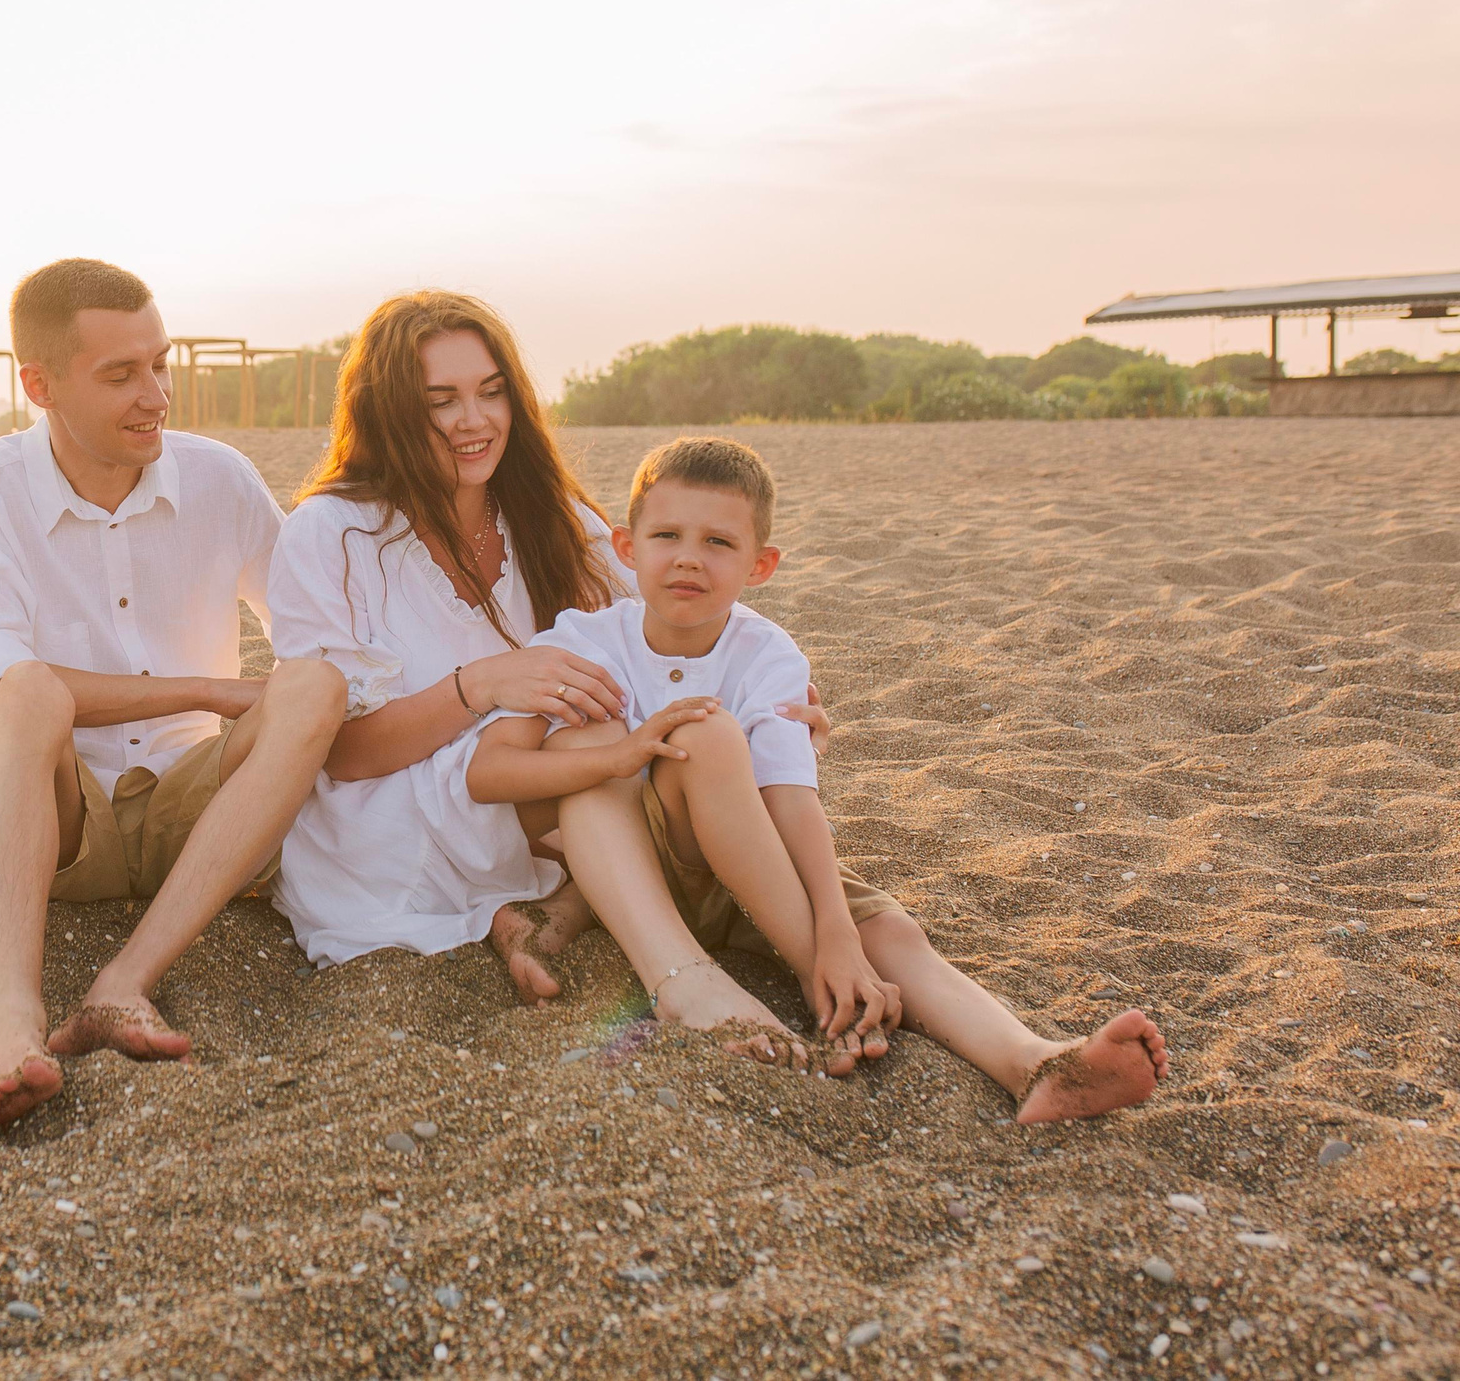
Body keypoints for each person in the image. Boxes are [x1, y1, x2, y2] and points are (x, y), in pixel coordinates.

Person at [467, 436, 1168, 1117]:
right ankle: (752, 982)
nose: (688, 558)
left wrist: (833, 930)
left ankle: (1034, 1061)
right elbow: (488, 772)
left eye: (718, 542)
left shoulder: (767, 653)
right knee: (670, 732)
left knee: (889, 935)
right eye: (667, 536)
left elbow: (790, 796)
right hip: (629, 873)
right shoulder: (585, 641)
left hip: (746, 864)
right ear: (627, 546)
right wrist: (618, 756)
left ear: (761, 564)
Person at [0, 258, 346, 1130]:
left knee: (314, 684)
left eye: (160, 364)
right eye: (121, 374)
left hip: (193, 817)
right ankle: (13, 1009)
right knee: (23, 690)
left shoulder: (221, 477)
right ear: (39, 385)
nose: (156, 395)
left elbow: (319, 638)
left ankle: (123, 982)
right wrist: (205, 686)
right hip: (57, 823)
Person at [267, 291, 637, 994]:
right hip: (386, 821)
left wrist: (765, 684)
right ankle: (551, 912)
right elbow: (341, 753)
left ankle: (542, 914)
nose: (475, 422)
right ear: (389, 413)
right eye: (442, 401)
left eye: (492, 392)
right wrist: (483, 683)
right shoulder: (332, 533)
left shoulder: (553, 517)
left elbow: (658, 636)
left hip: (529, 791)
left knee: (644, 741)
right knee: (597, 763)